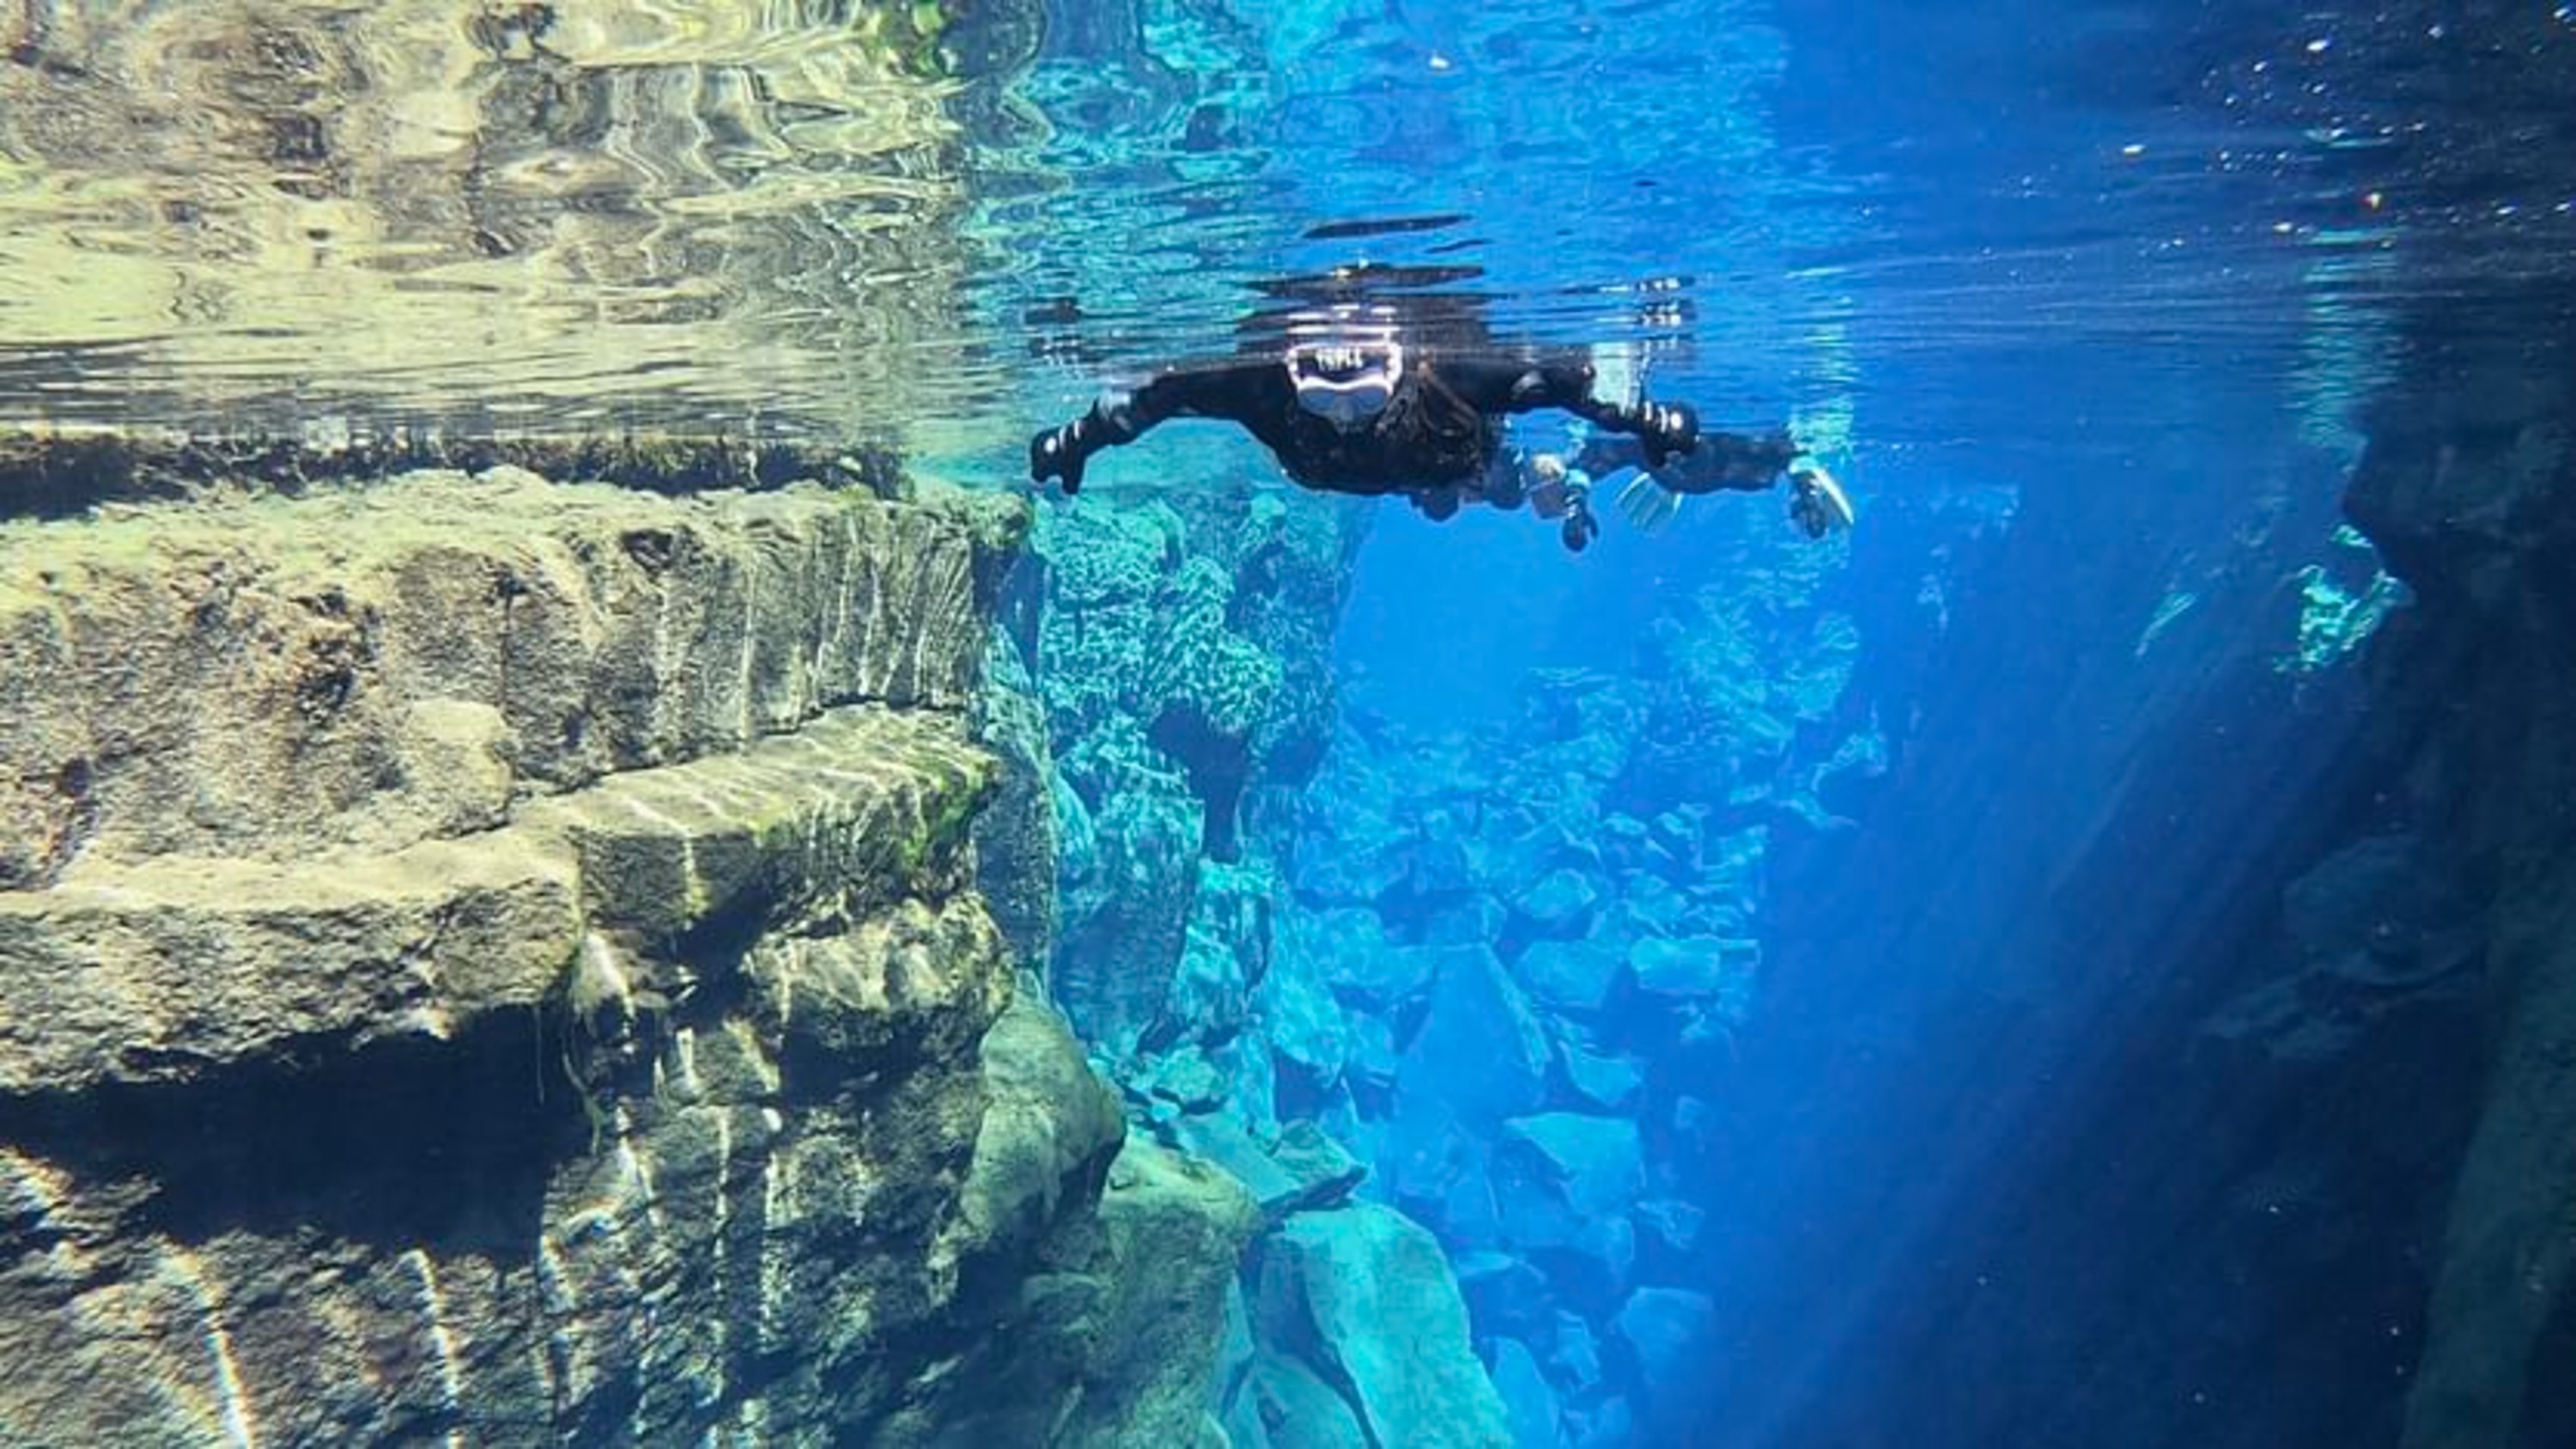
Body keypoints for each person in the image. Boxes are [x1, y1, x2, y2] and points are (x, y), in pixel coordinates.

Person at [1027, 292, 1707, 552]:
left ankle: (1518, 483)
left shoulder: (1454, 377)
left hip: (1448, 456)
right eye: (1325, 399)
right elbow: (1155, 396)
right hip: (1395, 468)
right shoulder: (1263, 389)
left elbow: (1562, 382)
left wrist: (1640, 414)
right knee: (1474, 489)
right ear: (1293, 375)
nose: (1345, 416)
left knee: (1498, 483)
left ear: (1404, 368)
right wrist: (1078, 440)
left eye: (1361, 397)